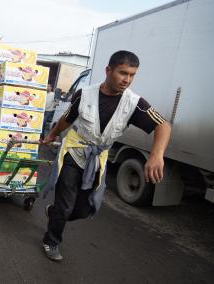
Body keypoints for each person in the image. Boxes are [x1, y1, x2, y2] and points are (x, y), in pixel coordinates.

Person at [41, 50, 171, 262]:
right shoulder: (84, 94)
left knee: (85, 209)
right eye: (122, 73)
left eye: (132, 75)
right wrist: (52, 134)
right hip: (74, 152)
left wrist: (157, 155)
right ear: (108, 70)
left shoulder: (134, 103)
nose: (126, 80)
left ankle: (55, 213)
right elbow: (67, 117)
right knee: (65, 204)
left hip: (97, 159)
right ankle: (51, 240)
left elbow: (163, 125)